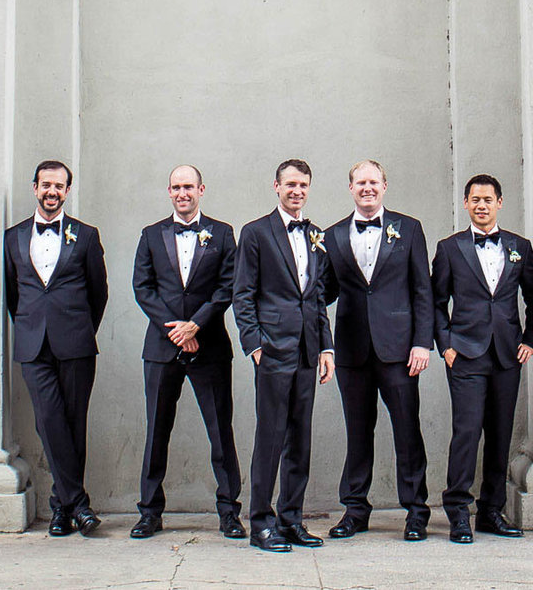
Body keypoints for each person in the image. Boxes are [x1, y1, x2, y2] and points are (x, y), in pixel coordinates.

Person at [322, 160, 434, 541]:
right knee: (357, 432)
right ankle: (355, 510)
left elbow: (423, 290)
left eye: (373, 181)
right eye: (360, 182)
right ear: (350, 187)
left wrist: (422, 342)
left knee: (407, 431)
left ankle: (416, 511)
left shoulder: (409, 228)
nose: (367, 188)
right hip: (352, 350)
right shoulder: (332, 235)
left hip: (400, 350)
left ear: (384, 185)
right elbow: (322, 294)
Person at [130, 164, 244, 540]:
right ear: (169, 192)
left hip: (209, 347)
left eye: (189, 187)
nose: (183, 193)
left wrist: (196, 324)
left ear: (201, 189)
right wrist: (178, 331)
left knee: (220, 431)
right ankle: (149, 512)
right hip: (162, 349)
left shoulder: (223, 233)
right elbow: (143, 288)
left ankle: (229, 511)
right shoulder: (150, 235)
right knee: (156, 432)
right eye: (176, 187)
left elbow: (229, 286)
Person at [431, 174, 533, 543]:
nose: (482, 205)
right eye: (475, 199)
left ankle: (491, 511)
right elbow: (435, 302)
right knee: (466, 432)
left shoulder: (519, 247)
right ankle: (458, 511)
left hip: (507, 355)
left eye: (488, 199)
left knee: (500, 435)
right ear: (466, 203)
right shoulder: (450, 248)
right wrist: (446, 344)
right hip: (464, 354)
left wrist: (530, 339)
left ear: (499, 203)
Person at [233, 159, 336, 553]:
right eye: (290, 184)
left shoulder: (316, 234)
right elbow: (242, 294)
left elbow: (318, 297)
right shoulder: (256, 232)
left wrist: (326, 347)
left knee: (301, 440)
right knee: (271, 437)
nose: (297, 191)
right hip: (272, 351)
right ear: (276, 186)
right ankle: (261, 523)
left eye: (303, 185)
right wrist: (255, 345)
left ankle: (291, 519)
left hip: (309, 350)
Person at [4, 159, 108, 537]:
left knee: (73, 426)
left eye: (59, 186)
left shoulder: (86, 235)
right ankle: (79, 504)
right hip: (33, 346)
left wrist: (79, 329)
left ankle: (60, 510)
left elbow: (99, 293)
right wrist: (34, 327)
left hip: (76, 343)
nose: (52, 192)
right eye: (45, 185)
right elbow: (13, 296)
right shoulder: (12, 237)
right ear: (35, 188)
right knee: (49, 422)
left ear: (67, 190)